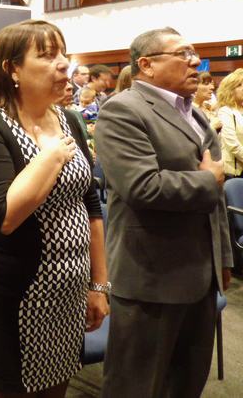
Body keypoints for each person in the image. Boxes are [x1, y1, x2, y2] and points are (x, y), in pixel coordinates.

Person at [0, 20, 107, 397]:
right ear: (12, 69)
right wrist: (51, 157)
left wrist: (98, 285)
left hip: (71, 287)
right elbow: (5, 217)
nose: (63, 64)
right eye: (46, 55)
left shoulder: (68, 118)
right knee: (18, 389)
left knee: (57, 385)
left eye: (63, 54)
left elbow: (91, 205)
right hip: (21, 292)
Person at [94, 27, 232, 398]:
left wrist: (223, 257)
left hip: (201, 276)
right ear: (147, 65)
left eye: (195, 54)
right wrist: (206, 180)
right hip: (151, 278)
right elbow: (142, 186)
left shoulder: (195, 113)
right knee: (136, 387)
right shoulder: (123, 110)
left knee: (186, 383)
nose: (195, 61)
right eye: (183, 53)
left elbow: (216, 201)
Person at [215, 68, 243, 178]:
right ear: (229, 90)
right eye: (239, 85)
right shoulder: (225, 111)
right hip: (234, 172)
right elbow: (233, 145)